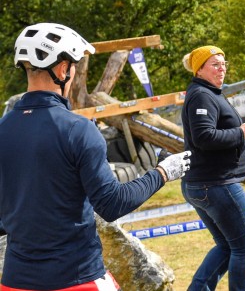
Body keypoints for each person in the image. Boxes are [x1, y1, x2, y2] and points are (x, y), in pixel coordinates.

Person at [0, 23, 191, 290]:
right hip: (76, 278)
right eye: (74, 66)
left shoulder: (4, 128)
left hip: (15, 281)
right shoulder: (78, 129)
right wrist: (163, 172)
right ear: (63, 69)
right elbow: (112, 204)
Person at [180, 45, 245, 291]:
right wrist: (242, 131)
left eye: (223, 64)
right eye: (215, 64)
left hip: (207, 184)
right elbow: (205, 137)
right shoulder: (202, 95)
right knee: (243, 248)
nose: (222, 68)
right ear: (200, 69)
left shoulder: (210, 92)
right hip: (216, 184)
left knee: (228, 246)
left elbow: (231, 131)